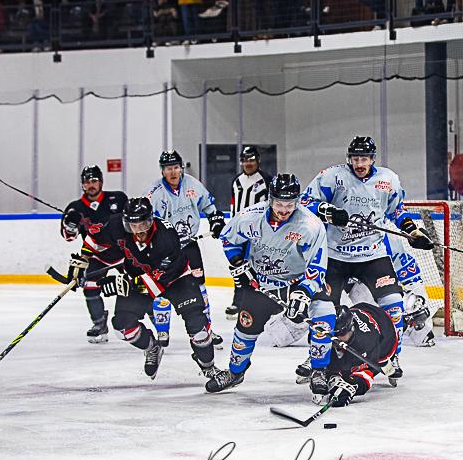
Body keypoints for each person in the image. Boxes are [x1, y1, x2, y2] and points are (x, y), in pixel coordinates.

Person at [300, 136, 434, 382]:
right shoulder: (333, 177)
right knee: (323, 309)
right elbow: (305, 202)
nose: (359, 163)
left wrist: (413, 231)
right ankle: (317, 356)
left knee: (394, 305)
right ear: (348, 159)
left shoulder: (388, 180)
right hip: (334, 255)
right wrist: (328, 211)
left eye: (364, 158)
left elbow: (397, 211)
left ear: (373, 159)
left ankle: (391, 356)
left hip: (372, 256)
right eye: (355, 158)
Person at [205, 174, 335, 400]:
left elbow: (317, 267)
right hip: (261, 283)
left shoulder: (311, 226)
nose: (284, 210)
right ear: (270, 200)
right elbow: (228, 239)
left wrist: (304, 293)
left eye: (289, 204)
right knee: (245, 328)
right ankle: (235, 373)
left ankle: (320, 370)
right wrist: (238, 263)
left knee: (324, 313)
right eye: (279, 204)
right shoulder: (249, 217)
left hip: (296, 283)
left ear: (298, 201)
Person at [69, 197, 219, 379]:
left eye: (144, 224)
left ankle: (209, 367)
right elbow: (94, 241)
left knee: (199, 328)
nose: (139, 231)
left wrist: (125, 285)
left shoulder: (166, 236)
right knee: (122, 327)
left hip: (177, 279)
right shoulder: (116, 225)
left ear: (151, 220)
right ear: (126, 223)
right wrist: (84, 261)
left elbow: (160, 281)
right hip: (138, 276)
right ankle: (152, 348)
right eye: (134, 226)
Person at [144, 151, 225, 347]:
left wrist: (216, 220)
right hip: (164, 251)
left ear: (181, 167)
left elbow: (210, 206)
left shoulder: (192, 185)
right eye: (168, 168)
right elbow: (146, 223)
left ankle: (206, 330)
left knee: (200, 288)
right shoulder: (155, 193)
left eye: (176, 167)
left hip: (189, 245)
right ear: (162, 171)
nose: (173, 172)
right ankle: (162, 332)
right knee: (161, 290)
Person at [61, 165, 128, 343]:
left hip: (124, 252)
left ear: (101, 182)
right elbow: (68, 237)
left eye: (94, 180)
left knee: (139, 284)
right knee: (90, 284)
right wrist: (71, 224)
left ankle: (156, 323)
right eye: (87, 181)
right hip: (97, 254)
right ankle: (99, 325)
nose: (91, 184)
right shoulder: (75, 208)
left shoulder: (118, 198)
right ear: (82, 184)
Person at [346, 228, 437, 347]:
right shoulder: (339, 239)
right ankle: (379, 329)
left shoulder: (389, 242)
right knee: (358, 298)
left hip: (386, 270)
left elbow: (413, 281)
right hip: (361, 280)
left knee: (416, 302)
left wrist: (416, 235)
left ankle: (419, 330)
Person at [225, 145, 273, 319]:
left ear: (258, 160)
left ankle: (261, 302)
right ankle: (238, 302)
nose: (248, 163)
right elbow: (233, 206)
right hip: (239, 232)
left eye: (252, 159)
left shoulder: (267, 180)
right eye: (245, 160)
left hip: (258, 233)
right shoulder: (236, 181)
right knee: (237, 267)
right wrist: (230, 227)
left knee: (258, 267)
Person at [322, 302, 397, 406]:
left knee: (379, 363)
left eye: (341, 335)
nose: (337, 339)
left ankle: (390, 363)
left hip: (386, 333)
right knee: (335, 358)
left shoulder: (366, 340)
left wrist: (351, 387)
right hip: (362, 309)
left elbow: (369, 372)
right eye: (334, 335)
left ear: (351, 329)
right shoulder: (330, 325)